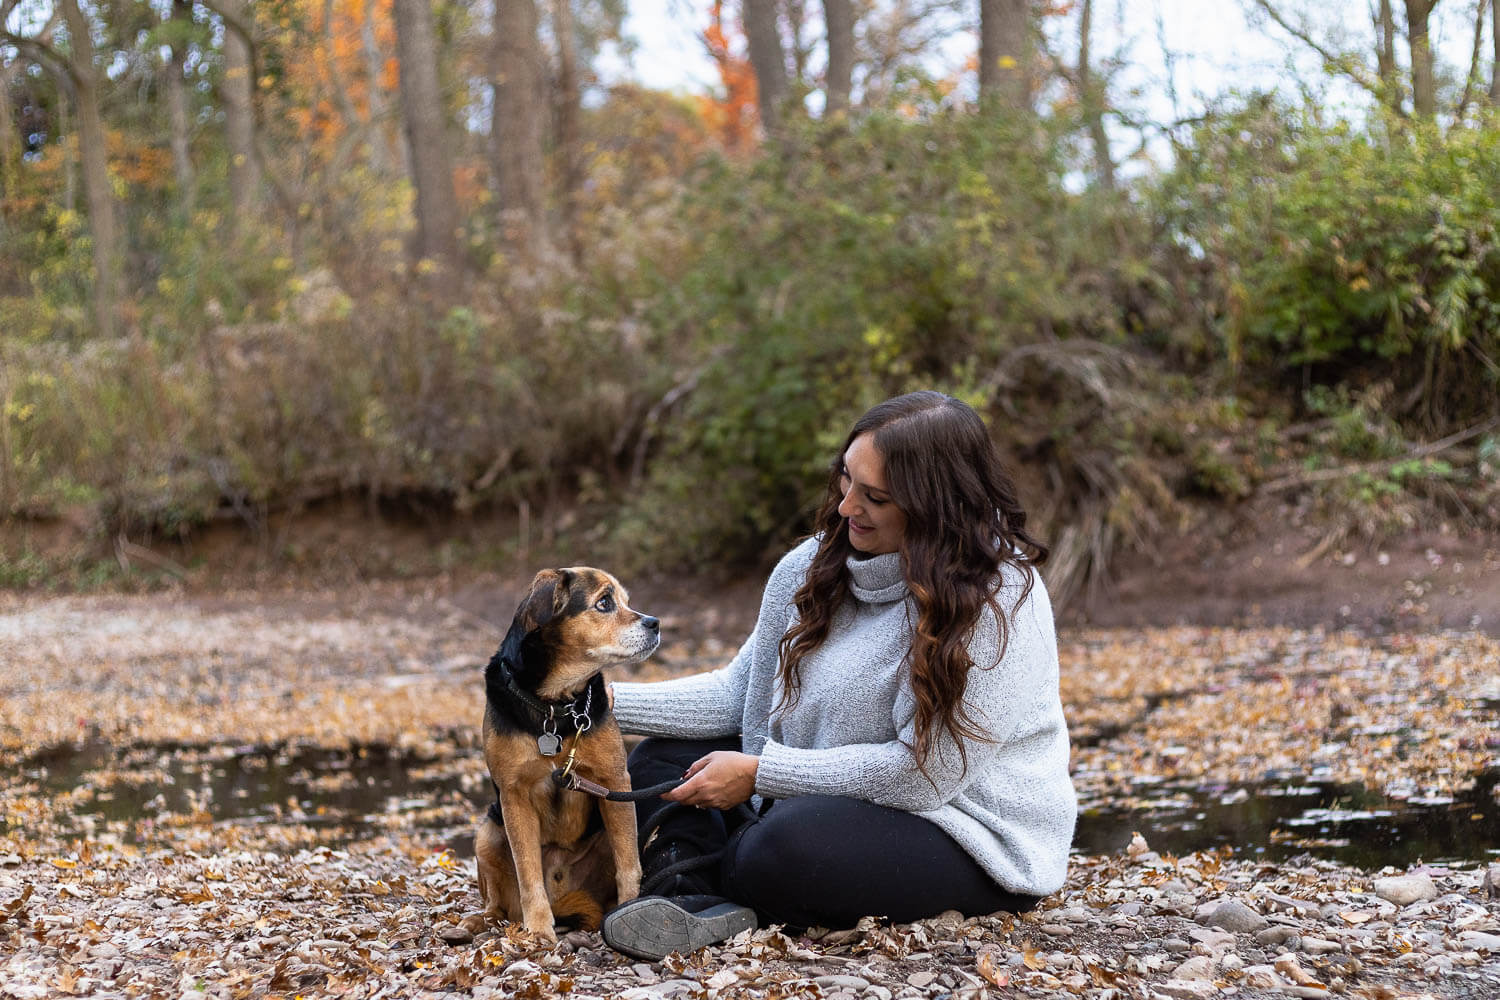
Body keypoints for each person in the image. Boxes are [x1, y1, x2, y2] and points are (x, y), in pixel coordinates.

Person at [601, 390, 1077, 960]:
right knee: (660, 757)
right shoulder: (809, 567)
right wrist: (593, 701)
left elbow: (924, 778)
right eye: (846, 479)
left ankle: (708, 877)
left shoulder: (999, 601)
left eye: (875, 497)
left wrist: (761, 774)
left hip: (965, 833)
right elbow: (741, 694)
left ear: (935, 506)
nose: (848, 506)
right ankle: (688, 899)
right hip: (806, 793)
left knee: (784, 848)